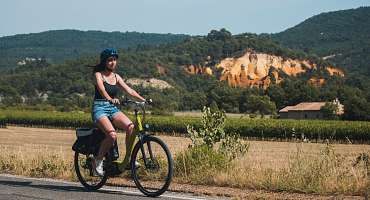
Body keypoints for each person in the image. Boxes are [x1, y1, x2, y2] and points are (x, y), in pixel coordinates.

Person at [91, 48, 146, 176]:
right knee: (112, 135)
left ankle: (129, 159)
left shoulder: (116, 77)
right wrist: (110, 99)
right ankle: (97, 160)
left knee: (131, 127)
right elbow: (102, 89)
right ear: (104, 61)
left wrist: (143, 100)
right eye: (110, 60)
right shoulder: (98, 75)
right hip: (99, 108)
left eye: (114, 60)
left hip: (112, 108)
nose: (113, 62)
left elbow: (129, 90)